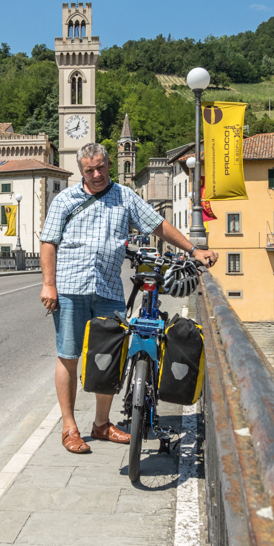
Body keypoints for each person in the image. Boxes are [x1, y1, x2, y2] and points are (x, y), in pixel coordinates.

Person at [39, 143, 218, 454]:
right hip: (70, 287)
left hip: (108, 290)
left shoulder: (124, 196)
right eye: (89, 170)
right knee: (69, 355)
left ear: (109, 165)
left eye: (101, 168)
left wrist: (193, 250)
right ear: (81, 171)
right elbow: (48, 242)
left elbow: (158, 225)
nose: (97, 174)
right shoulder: (65, 199)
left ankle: (102, 423)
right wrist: (48, 285)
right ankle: (69, 427)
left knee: (109, 357)